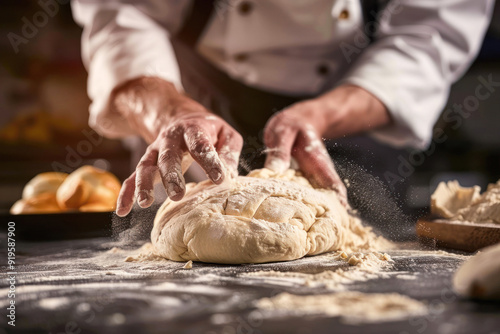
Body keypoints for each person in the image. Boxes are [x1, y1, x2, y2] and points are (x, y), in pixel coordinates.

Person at [71, 0, 494, 217]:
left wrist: (322, 115)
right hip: (194, 101)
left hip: (352, 109)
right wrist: (169, 113)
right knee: (170, 287)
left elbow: (427, 36)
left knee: (351, 281)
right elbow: (123, 13)